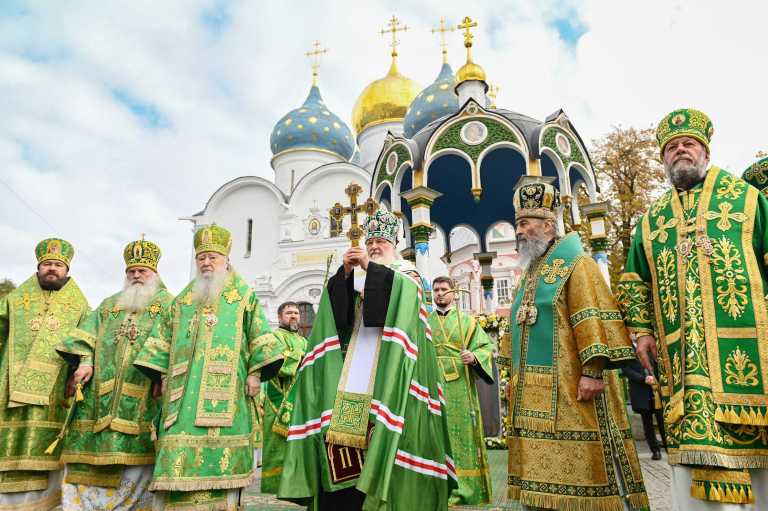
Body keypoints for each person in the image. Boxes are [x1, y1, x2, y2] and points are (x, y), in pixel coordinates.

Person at [618, 108, 768, 508]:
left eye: (689, 143)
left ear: (705, 151)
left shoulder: (746, 199)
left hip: (751, 355)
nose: (680, 150)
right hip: (681, 359)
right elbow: (633, 280)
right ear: (663, 159)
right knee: (689, 455)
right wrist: (642, 332)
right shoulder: (652, 220)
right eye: (671, 147)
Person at [278, 209, 455, 510]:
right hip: (352, 376)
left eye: (380, 242)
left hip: (392, 377)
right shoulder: (364, 277)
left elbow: (396, 307)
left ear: (394, 244)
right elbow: (340, 321)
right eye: (370, 241)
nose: (374, 246)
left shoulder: (408, 274)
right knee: (341, 439)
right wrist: (345, 276)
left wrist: (369, 269)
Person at [507, 181, 648, 510]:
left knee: (584, 466)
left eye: (525, 223)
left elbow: (591, 316)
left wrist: (593, 371)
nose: (519, 231)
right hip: (533, 391)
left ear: (548, 225)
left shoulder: (577, 263)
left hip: (574, 388)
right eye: (518, 224)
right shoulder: (531, 272)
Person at [134, 225, 284, 510]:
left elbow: (260, 336)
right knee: (176, 440)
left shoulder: (243, 295)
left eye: (212, 257)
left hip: (230, 389)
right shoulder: (182, 299)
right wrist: (161, 374)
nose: (206, 263)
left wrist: (255, 374)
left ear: (226, 260)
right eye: (201, 258)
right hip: (182, 393)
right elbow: (162, 338)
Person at [55, 238, 173, 510]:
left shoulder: (169, 304)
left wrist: (162, 373)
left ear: (155, 274)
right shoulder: (109, 305)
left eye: (142, 271)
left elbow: (175, 341)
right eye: (131, 271)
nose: (136, 275)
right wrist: (85, 361)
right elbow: (85, 336)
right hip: (100, 396)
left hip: (146, 392)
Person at [0, 238, 89, 510]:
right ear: (38, 267)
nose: (52, 269)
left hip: (55, 387)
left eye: (58, 265)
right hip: (9, 384)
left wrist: (78, 370)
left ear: (67, 270)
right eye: (47, 264)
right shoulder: (14, 300)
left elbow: (87, 341)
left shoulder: (79, 305)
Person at [429, 276, 493, 505]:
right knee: (435, 434)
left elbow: (485, 347)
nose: (440, 293)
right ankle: (438, 489)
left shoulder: (467, 321)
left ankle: (465, 489)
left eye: (444, 289)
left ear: (454, 293)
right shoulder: (425, 321)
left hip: (460, 387)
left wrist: (473, 356)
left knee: (462, 434)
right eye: (436, 290)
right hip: (432, 383)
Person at [259, 301, 308, 494]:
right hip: (279, 397)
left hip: (300, 398)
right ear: (280, 317)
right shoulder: (274, 337)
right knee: (277, 442)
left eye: (296, 312)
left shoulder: (304, 341)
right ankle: (275, 484)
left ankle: (295, 481)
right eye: (289, 313)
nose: (294, 315)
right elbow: (277, 362)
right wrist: (301, 356)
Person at [621, 355, 667, 460]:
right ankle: (655, 450)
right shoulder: (627, 349)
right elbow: (626, 370)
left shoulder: (649, 347)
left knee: (662, 421)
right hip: (641, 392)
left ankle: (669, 447)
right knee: (647, 423)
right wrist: (643, 379)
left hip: (657, 390)